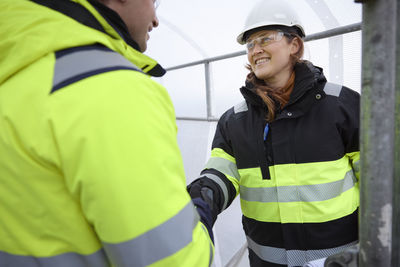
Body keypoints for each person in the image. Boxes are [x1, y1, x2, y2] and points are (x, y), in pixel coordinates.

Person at [0, 0, 214, 266]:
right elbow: (175, 260)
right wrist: (201, 220)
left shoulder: (15, 73)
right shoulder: (111, 89)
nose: (156, 19)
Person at [187, 1, 360, 266]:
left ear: (295, 45)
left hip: (339, 261)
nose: (256, 50)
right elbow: (220, 174)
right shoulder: (234, 121)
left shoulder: (342, 105)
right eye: (250, 44)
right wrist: (200, 202)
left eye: (265, 38)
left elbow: (380, 183)